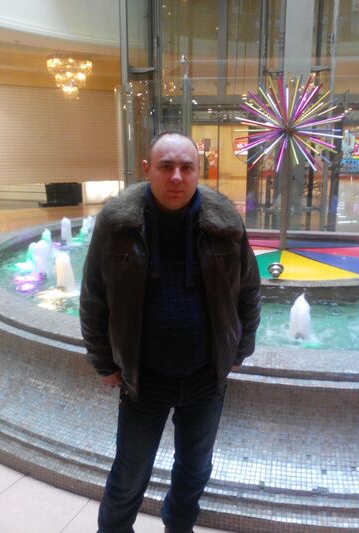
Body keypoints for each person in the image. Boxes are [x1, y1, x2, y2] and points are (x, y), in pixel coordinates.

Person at [80, 132, 261, 533]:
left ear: (198, 171)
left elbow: (249, 290)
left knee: (194, 469)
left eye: (186, 167)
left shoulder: (226, 224)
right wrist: (104, 362)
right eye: (166, 166)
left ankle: (179, 527)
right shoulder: (116, 225)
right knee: (130, 472)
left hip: (205, 378)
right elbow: (94, 296)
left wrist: (239, 350)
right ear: (148, 170)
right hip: (144, 379)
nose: (176, 176)